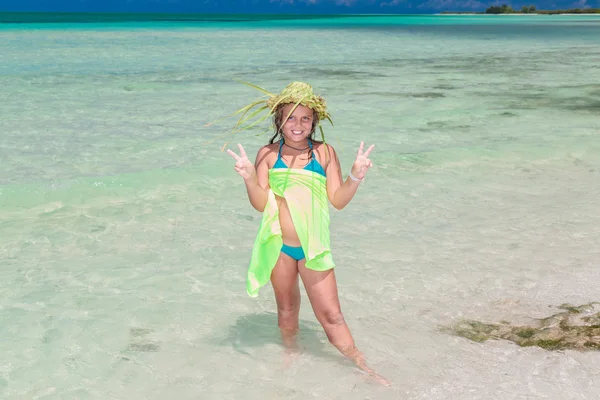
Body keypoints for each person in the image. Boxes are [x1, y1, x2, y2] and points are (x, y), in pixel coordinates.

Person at [225, 82, 389, 385]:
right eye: (290, 118)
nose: (297, 125)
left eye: (305, 118)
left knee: (332, 316)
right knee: (287, 310)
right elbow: (261, 204)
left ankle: (362, 366)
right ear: (279, 120)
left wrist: (356, 176)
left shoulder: (324, 153)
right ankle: (291, 355)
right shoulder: (268, 154)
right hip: (278, 247)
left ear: (314, 121)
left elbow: (337, 200)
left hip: (313, 248)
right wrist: (249, 178)